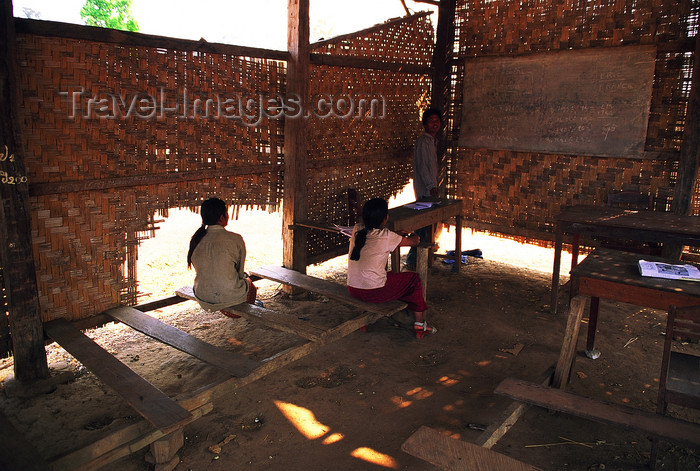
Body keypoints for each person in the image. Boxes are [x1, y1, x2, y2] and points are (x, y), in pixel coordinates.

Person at [347, 197, 437, 337]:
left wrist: (396, 236)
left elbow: (379, 236)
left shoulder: (357, 230)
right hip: (372, 292)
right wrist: (412, 235)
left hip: (353, 289)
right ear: (386, 218)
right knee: (413, 279)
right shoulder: (387, 236)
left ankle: (364, 318)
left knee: (384, 276)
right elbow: (414, 241)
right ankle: (420, 324)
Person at [187, 197, 257, 314]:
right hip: (229, 296)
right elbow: (240, 273)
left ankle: (223, 304)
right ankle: (232, 312)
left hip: (202, 295)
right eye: (226, 213)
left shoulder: (196, 240)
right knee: (250, 286)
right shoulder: (235, 239)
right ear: (221, 217)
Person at [406, 107, 443, 268]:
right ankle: (413, 259)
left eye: (437, 121)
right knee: (423, 225)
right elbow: (422, 167)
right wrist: (431, 186)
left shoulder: (432, 142)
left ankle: (421, 257)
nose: (434, 124)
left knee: (429, 224)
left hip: (430, 189)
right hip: (425, 191)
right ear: (425, 124)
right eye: (431, 121)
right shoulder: (423, 142)